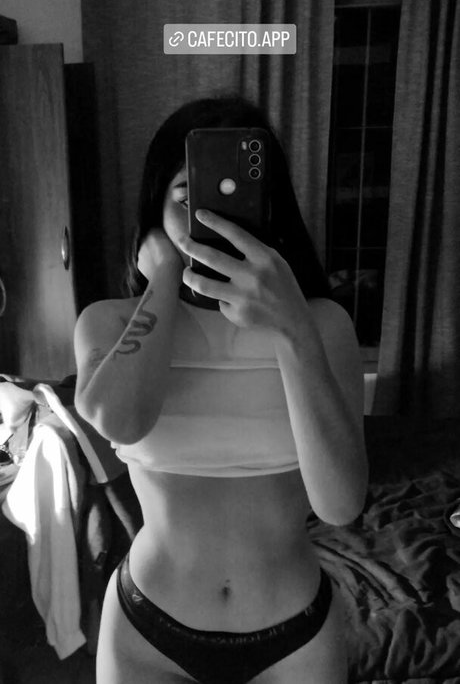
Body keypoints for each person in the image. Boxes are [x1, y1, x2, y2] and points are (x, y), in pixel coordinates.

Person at [74, 96, 368, 684]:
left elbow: (339, 505)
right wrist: (163, 277)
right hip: (147, 634)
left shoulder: (323, 324)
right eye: (188, 197)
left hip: (294, 638)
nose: (211, 218)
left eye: (236, 199)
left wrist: (291, 326)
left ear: (269, 208)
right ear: (154, 207)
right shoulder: (108, 322)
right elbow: (118, 420)